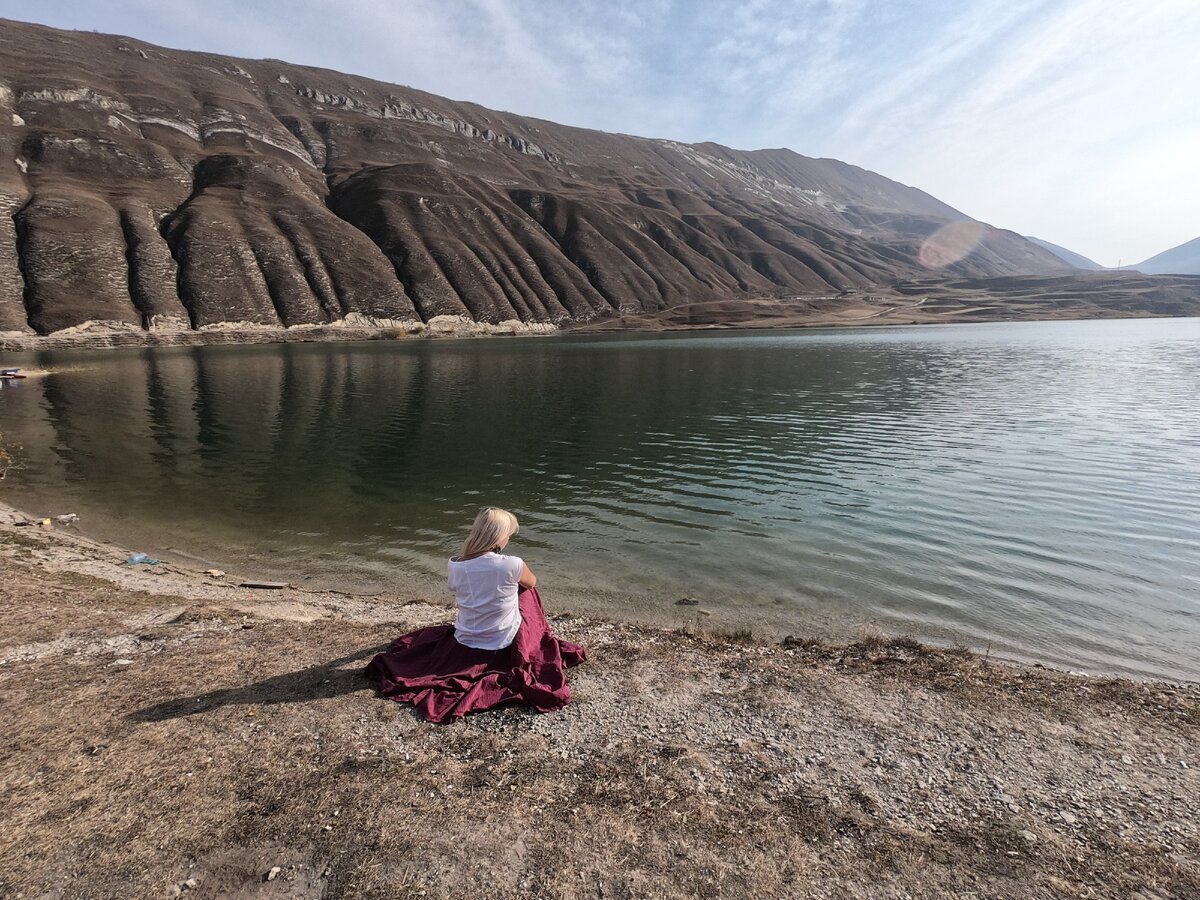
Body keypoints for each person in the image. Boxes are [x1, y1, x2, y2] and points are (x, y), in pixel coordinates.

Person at [365, 507, 586, 723]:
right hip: (501, 640)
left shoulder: (456, 564)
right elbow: (532, 582)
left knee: (503, 590)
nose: (508, 539)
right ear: (499, 538)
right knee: (527, 591)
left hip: (465, 635)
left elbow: (464, 584)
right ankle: (538, 635)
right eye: (508, 535)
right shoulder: (511, 563)